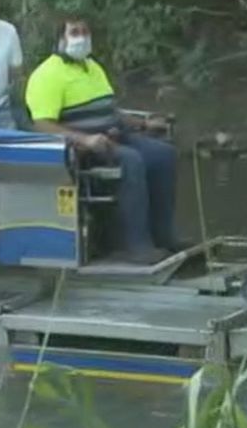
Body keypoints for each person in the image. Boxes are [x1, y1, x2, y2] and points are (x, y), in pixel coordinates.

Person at [24, 14, 181, 265]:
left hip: (116, 135)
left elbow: (111, 111)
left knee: (164, 155)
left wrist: (144, 124)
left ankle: (164, 237)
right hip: (84, 148)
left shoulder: (93, 67)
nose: (82, 38)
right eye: (75, 33)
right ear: (60, 40)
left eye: (85, 32)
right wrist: (85, 140)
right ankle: (135, 245)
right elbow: (42, 124)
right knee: (132, 161)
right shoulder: (46, 75)